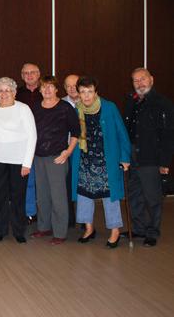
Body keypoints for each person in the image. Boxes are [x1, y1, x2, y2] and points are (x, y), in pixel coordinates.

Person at [71, 76, 131, 248]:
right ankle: (88, 228)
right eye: (83, 92)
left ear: (96, 92)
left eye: (90, 91)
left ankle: (114, 230)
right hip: (84, 160)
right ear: (79, 94)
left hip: (106, 160)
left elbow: (121, 133)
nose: (86, 95)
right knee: (84, 194)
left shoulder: (109, 107)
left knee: (109, 196)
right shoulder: (77, 109)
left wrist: (125, 158)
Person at [122, 68, 174, 247]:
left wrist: (165, 162)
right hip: (132, 156)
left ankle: (152, 232)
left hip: (151, 157)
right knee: (134, 194)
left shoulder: (162, 103)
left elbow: (168, 135)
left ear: (151, 79)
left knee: (152, 197)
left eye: (142, 79)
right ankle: (138, 228)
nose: (139, 83)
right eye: (135, 81)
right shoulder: (132, 101)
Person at [30, 76, 79, 245]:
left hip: (57, 157)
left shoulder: (65, 108)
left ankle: (60, 232)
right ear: (40, 90)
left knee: (58, 196)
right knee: (42, 195)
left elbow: (76, 133)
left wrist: (67, 153)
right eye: (44, 87)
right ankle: (44, 227)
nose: (47, 90)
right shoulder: (35, 108)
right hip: (38, 157)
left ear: (57, 89)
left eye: (51, 87)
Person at [0, 77, 36, 243]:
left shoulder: (23, 109)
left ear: (14, 92)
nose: (4, 93)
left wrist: (27, 163)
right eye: (0, 90)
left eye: (7, 90)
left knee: (18, 196)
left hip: (18, 161)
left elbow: (32, 137)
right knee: (0, 196)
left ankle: (18, 231)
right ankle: (0, 230)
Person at [16, 63, 42, 224]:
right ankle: (30, 213)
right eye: (26, 73)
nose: (30, 75)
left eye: (33, 72)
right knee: (29, 181)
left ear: (39, 74)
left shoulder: (46, 91)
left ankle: (46, 213)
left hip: (46, 143)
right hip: (24, 143)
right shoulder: (16, 93)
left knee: (45, 182)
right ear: (22, 75)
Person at [62, 74, 80, 227]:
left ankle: (85, 220)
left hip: (86, 152)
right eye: (68, 86)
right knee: (66, 186)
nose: (72, 88)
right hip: (67, 152)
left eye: (75, 85)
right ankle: (69, 218)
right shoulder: (60, 104)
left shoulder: (90, 101)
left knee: (82, 186)